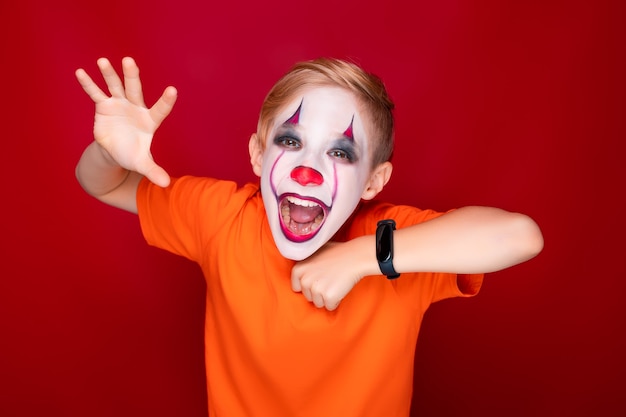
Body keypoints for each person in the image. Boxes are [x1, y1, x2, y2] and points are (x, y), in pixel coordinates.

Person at [75, 56, 543, 417]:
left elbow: (520, 235)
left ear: (374, 182)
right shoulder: (221, 216)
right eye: (291, 141)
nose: (308, 170)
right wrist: (106, 150)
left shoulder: (394, 239)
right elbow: (108, 182)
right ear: (258, 154)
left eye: (340, 151)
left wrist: (364, 257)